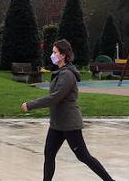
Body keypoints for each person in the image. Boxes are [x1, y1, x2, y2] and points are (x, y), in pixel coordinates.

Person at [22, 38, 116, 181]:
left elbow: (55, 97)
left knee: (83, 156)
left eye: (55, 52)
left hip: (69, 123)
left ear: (63, 55)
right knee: (49, 153)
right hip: (57, 123)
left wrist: (31, 104)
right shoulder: (61, 72)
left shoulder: (67, 74)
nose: (52, 55)